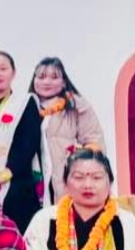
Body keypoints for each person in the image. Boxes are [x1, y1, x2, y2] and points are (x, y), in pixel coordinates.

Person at [28, 57, 107, 208]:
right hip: (34, 178)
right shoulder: (24, 107)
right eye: (41, 77)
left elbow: (94, 140)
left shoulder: (76, 105)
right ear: (34, 81)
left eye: (54, 77)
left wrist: (77, 165)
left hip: (63, 176)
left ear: (64, 82)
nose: (47, 82)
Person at [0, 51, 39, 231]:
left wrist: (8, 172)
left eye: (3, 68)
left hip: (17, 182)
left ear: (13, 73)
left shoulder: (25, 103)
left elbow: (29, 142)